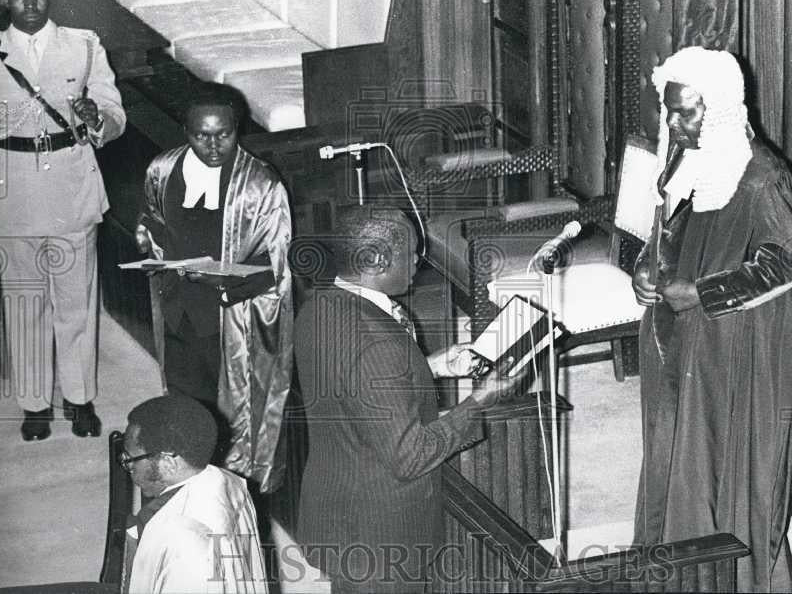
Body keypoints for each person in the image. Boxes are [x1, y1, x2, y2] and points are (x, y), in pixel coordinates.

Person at [630, 46, 792, 592]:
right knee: (671, 459)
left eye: (687, 111)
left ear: (723, 110)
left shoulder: (761, 179)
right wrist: (644, 266)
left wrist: (703, 294)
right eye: (670, 111)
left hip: (739, 349)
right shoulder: (684, 157)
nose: (675, 123)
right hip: (680, 341)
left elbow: (787, 263)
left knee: (722, 474)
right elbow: (665, 233)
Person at [294, 205, 528, 593]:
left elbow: (355, 388)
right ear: (377, 259)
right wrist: (480, 401)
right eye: (412, 251)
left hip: (338, 510)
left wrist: (429, 367)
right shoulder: (377, 343)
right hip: (382, 537)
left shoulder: (318, 307)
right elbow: (410, 455)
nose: (419, 259)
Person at [0, 0, 126, 441]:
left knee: (76, 301)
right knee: (25, 300)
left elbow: (114, 110)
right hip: (14, 194)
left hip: (73, 185)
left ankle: (79, 399)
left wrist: (100, 119)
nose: (29, 1)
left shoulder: (85, 46)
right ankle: (34, 404)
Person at [135, 83, 293, 492]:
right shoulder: (162, 169)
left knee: (227, 420)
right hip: (177, 313)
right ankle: (185, 486)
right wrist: (148, 244)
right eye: (201, 134)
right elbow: (151, 220)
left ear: (237, 129)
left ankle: (228, 490)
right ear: (184, 130)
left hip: (228, 323)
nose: (213, 145)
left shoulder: (260, 185)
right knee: (184, 408)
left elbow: (276, 262)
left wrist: (221, 280)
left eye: (224, 133)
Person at [122, 394, 269, 593]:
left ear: (168, 463)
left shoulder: (186, 543)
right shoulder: (231, 482)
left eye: (130, 460)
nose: (128, 466)